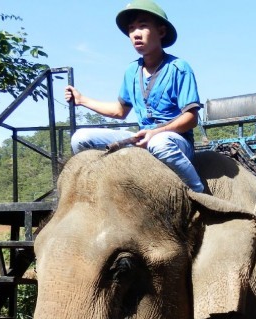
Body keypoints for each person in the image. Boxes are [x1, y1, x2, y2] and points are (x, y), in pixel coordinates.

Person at [65, 0, 204, 192]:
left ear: (161, 32)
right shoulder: (131, 70)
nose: (135, 33)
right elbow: (120, 111)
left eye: (143, 26)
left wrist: (155, 132)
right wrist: (82, 100)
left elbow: (191, 118)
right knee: (80, 138)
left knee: (159, 143)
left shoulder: (179, 68)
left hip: (174, 141)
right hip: (141, 138)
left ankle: (199, 194)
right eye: (131, 29)